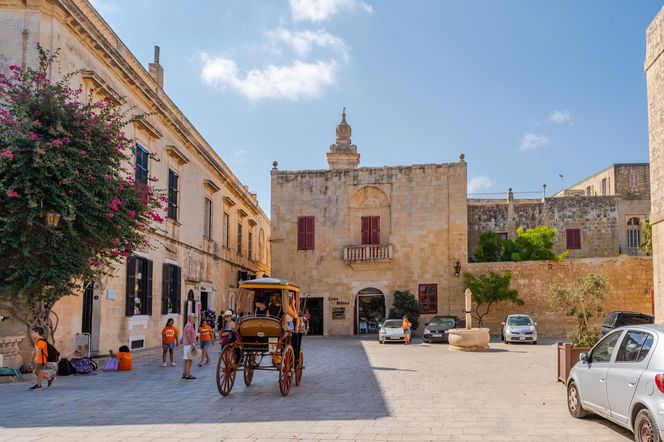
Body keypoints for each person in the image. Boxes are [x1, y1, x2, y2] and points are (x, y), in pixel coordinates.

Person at [182, 314, 197, 380]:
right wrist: (192, 344)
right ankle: (188, 375)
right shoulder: (189, 325)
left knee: (186, 359)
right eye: (194, 317)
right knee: (189, 360)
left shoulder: (189, 325)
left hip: (187, 344)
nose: (195, 319)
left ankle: (185, 373)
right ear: (191, 318)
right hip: (189, 344)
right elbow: (188, 335)